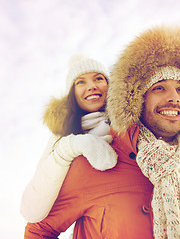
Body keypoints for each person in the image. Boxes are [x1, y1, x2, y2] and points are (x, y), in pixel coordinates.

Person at [23, 25, 180, 239]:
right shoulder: (92, 164)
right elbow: (39, 230)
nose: (174, 97)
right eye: (159, 88)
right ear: (138, 99)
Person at [20, 55, 118, 222]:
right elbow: (30, 210)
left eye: (99, 79)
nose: (92, 87)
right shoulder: (61, 136)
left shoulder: (130, 125)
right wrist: (70, 147)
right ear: (72, 93)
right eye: (81, 82)